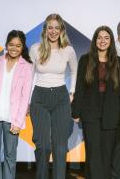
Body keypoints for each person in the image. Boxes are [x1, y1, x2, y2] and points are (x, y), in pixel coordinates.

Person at [0, 30, 33, 179]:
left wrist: (19, 121)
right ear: (6, 45)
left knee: (10, 155)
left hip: (13, 118)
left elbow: (24, 97)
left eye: (18, 45)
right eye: (11, 45)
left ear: (22, 47)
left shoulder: (27, 67)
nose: (14, 48)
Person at [29, 14, 77, 179]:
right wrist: (28, 101)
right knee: (42, 146)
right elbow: (29, 76)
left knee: (60, 147)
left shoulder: (68, 50)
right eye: (50, 27)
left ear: (62, 30)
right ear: (45, 29)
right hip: (39, 98)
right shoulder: (35, 49)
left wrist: (72, 92)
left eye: (57, 27)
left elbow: (75, 71)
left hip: (61, 98)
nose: (53, 31)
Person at [72, 26, 120, 179]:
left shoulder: (118, 62)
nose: (102, 41)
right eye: (99, 37)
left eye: (106, 38)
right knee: (93, 153)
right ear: (95, 40)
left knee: (107, 154)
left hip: (112, 114)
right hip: (90, 113)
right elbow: (79, 87)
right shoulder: (85, 59)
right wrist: (76, 111)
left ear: (111, 41)